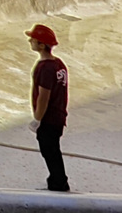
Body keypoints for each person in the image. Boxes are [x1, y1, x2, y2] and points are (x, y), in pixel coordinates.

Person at [28, 23, 69, 192]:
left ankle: (59, 183)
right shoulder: (58, 64)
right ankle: (56, 179)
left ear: (41, 45)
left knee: (49, 150)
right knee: (53, 149)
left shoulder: (44, 68)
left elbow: (44, 97)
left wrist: (37, 119)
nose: (30, 40)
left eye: (33, 39)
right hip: (59, 116)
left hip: (49, 118)